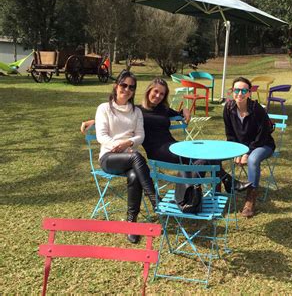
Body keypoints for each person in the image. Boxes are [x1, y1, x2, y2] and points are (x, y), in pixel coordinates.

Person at [82, 78, 250, 192]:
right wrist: (92, 121)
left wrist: (184, 110)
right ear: (148, 91)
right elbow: (116, 114)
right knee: (201, 158)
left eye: (162, 94)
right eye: (155, 92)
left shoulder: (163, 109)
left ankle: (217, 185)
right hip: (158, 152)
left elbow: (177, 112)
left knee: (206, 152)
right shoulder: (137, 111)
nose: (158, 96)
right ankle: (210, 186)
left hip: (174, 146)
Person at [93, 70, 157, 244]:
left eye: (131, 87)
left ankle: (131, 224)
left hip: (129, 156)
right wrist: (118, 146)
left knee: (135, 175)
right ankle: (155, 200)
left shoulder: (136, 112)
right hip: (109, 157)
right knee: (137, 157)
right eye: (124, 85)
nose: (127, 89)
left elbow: (140, 136)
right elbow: (101, 136)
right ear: (116, 85)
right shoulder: (104, 108)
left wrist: (128, 143)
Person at [223, 77, 276, 218]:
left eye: (244, 90)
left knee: (252, 160)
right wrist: (236, 151)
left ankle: (250, 200)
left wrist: (247, 152)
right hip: (241, 146)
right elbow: (230, 134)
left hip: (263, 144)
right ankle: (220, 189)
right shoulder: (228, 108)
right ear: (232, 91)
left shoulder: (257, 109)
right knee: (216, 154)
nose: (240, 93)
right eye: (236, 90)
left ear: (249, 93)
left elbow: (262, 135)